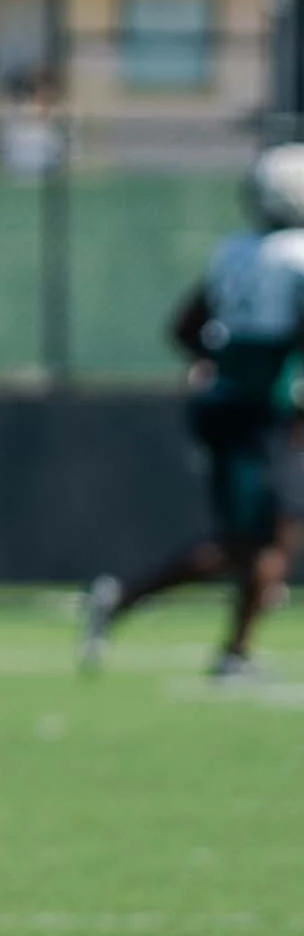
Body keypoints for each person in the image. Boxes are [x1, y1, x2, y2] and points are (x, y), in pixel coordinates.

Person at [82, 143, 304, 681]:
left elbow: (185, 327)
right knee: (256, 540)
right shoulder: (295, 256)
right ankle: (140, 605)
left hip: (229, 405)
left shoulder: (235, 251)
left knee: (269, 536)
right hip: (260, 412)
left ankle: (229, 647)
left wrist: (221, 361)